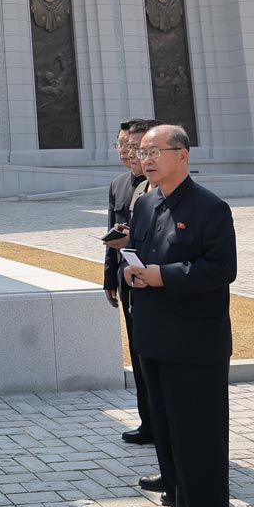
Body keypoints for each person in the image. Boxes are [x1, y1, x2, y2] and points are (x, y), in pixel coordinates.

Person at [121, 124, 237, 507]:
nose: (146, 159)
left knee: (199, 442)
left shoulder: (210, 207)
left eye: (155, 151)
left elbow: (221, 268)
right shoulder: (147, 203)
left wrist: (163, 276)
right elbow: (143, 255)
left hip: (196, 343)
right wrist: (131, 272)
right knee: (168, 437)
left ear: (182, 155)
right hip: (153, 336)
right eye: (140, 151)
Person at [102, 117, 157, 444]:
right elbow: (112, 236)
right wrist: (110, 278)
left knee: (153, 351)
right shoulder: (119, 184)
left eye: (132, 146)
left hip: (155, 278)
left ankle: (160, 422)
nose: (126, 152)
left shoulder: (161, 184)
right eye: (121, 145)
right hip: (127, 278)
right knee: (137, 352)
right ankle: (147, 421)